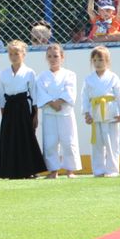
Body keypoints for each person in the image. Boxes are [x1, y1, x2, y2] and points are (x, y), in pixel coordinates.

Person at [0, 40, 46, 179]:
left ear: (23, 54)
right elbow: (1, 94)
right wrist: (3, 111)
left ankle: (30, 169)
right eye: (11, 54)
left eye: (16, 53)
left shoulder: (29, 72)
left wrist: (35, 114)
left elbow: (34, 95)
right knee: (10, 139)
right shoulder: (4, 73)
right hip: (9, 107)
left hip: (24, 107)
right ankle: (11, 171)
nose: (13, 56)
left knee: (26, 138)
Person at [81, 46, 120, 177]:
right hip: (95, 111)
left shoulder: (113, 77)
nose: (97, 63)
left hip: (111, 112)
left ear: (107, 61)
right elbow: (84, 97)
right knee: (96, 144)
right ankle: (98, 170)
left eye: (101, 60)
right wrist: (86, 113)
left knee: (112, 142)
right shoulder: (88, 79)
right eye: (95, 60)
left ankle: (112, 170)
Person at [36, 44, 81, 178]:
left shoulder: (70, 74)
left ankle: (70, 170)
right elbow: (41, 93)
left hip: (65, 112)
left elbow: (69, 91)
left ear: (62, 57)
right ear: (46, 58)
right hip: (49, 112)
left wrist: (59, 102)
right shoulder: (42, 76)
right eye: (49, 56)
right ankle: (53, 170)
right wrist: (51, 103)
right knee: (50, 142)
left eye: (56, 56)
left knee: (69, 141)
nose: (53, 59)